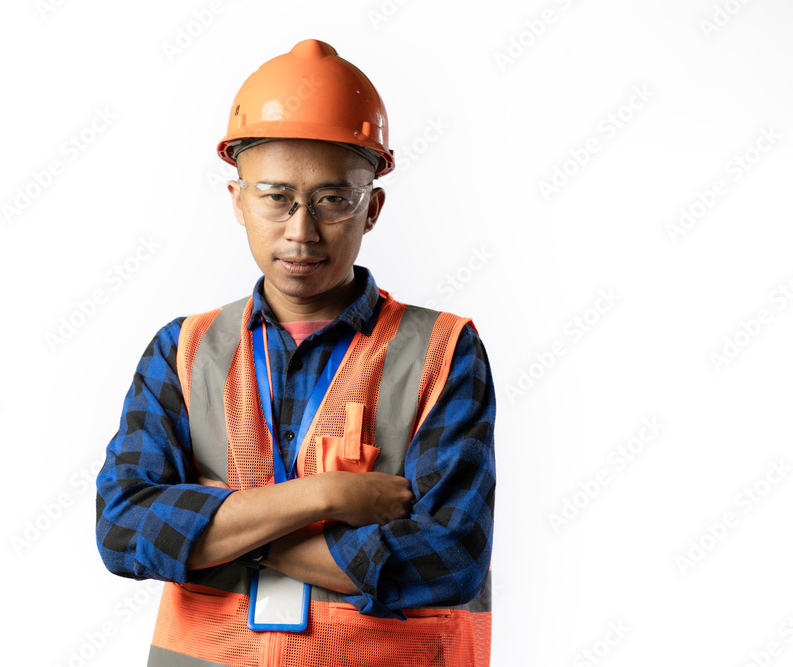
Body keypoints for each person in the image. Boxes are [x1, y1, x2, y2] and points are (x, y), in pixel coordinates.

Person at [95, 38, 496, 666]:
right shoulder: (182, 351)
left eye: (334, 200)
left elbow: (449, 556)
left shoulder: (443, 351)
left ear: (373, 209)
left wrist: (222, 524)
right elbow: (124, 530)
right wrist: (325, 498)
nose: (301, 229)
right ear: (238, 201)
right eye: (276, 196)